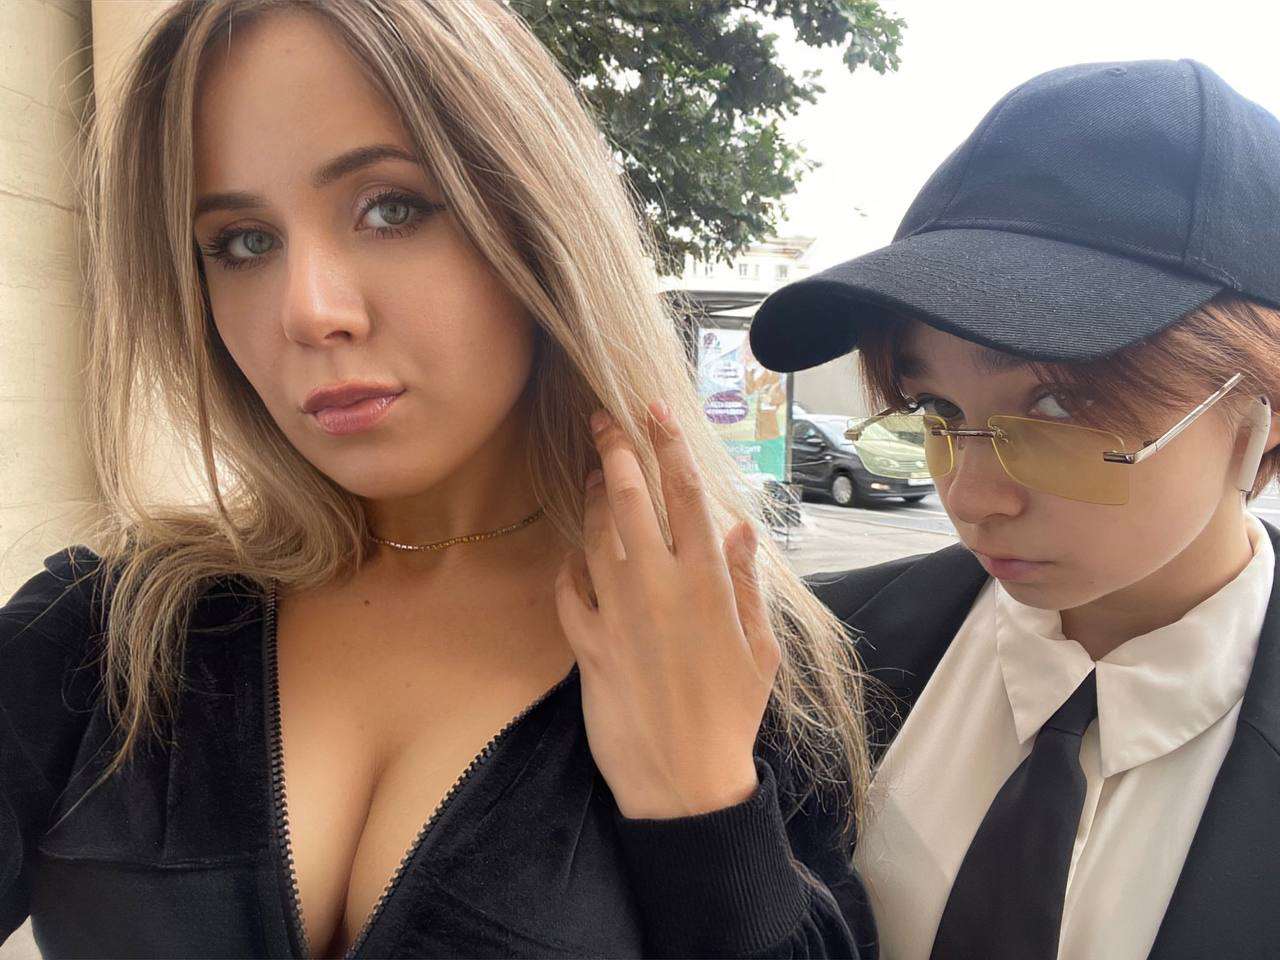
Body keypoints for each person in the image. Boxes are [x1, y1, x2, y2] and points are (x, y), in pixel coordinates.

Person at [0, 1, 879, 956]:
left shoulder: (721, 647)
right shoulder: (109, 635)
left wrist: (706, 808)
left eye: (392, 208)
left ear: (538, 221)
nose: (308, 311)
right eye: (244, 242)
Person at [749, 59, 1280, 960]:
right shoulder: (813, 659)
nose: (971, 497)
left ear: (1260, 407)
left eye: (1061, 407)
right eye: (937, 409)